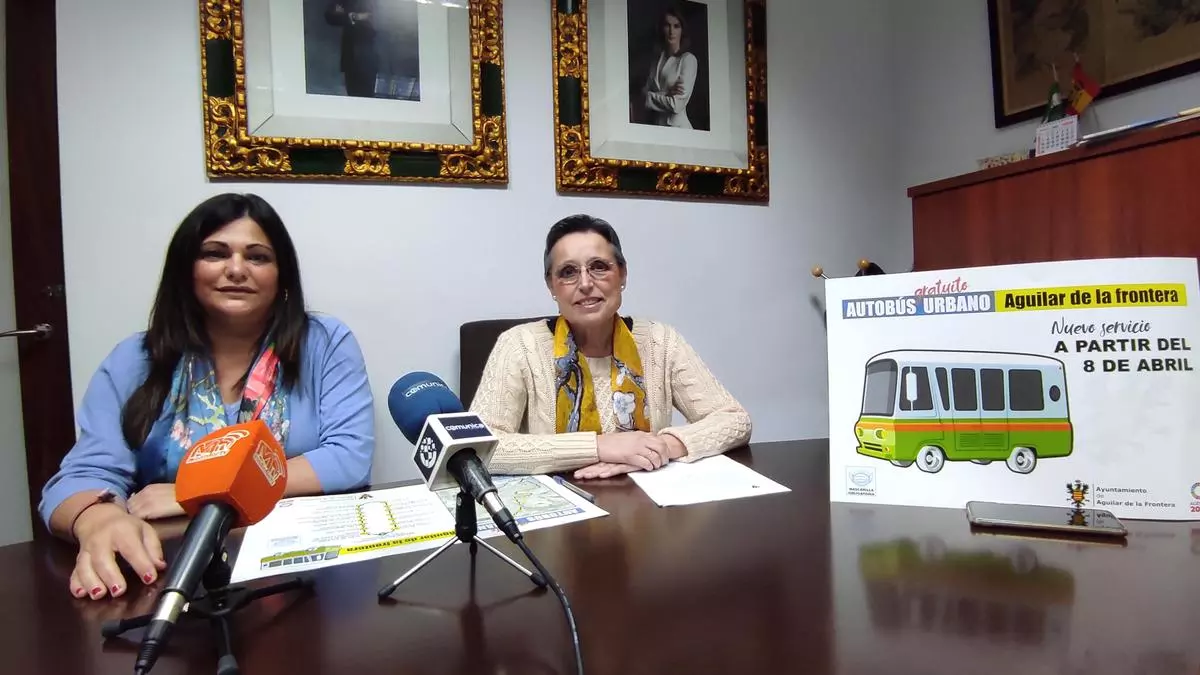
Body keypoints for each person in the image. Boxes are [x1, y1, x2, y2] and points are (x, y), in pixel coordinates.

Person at [39, 193, 375, 601]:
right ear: (186, 270)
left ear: (282, 276)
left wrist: (197, 495)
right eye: (215, 253)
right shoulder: (135, 359)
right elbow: (80, 478)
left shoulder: (324, 342)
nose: (236, 269)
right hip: (171, 570)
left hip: (301, 574)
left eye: (257, 257)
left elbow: (349, 457)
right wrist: (97, 520)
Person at [469, 214, 752, 480]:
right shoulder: (519, 345)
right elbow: (479, 448)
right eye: (568, 272)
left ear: (623, 274)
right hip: (560, 505)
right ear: (551, 286)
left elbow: (735, 420)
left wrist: (664, 446)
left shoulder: (660, 341)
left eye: (599, 267)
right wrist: (601, 446)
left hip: (647, 500)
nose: (585, 283)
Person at [639, 6, 698, 128]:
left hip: (679, 129)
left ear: (682, 30)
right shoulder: (657, 60)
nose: (671, 31)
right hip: (657, 127)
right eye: (667, 25)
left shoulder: (688, 60)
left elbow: (676, 105)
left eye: (676, 26)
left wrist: (649, 98)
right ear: (662, 29)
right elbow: (642, 94)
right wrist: (667, 93)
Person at [325, 0, 379, 97]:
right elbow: (330, 15)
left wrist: (348, 15)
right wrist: (355, 16)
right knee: (353, 95)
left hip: (369, 57)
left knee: (368, 96)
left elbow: (375, 16)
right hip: (351, 57)